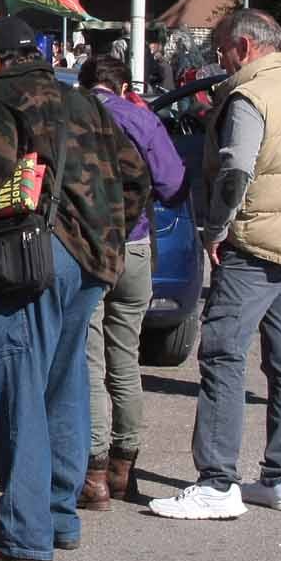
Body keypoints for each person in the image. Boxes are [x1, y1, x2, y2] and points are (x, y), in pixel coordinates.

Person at [0, 17, 150, 561]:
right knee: (64, 382)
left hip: (24, 261)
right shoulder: (86, 102)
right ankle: (58, 516)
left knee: (16, 386)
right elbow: (138, 175)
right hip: (93, 261)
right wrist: (109, 231)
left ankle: (25, 533)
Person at [151, 10, 281, 521]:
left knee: (222, 355)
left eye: (220, 47)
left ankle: (217, 482)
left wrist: (215, 228)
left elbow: (236, 169)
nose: (218, 57)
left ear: (243, 46)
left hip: (254, 244)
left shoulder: (248, 97)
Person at [74, 56, 186, 509]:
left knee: (89, 360)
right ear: (122, 87)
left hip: (85, 247)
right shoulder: (142, 118)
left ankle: (94, 473)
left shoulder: (73, 114)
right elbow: (174, 183)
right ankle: (124, 468)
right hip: (135, 246)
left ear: (86, 85)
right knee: (126, 357)